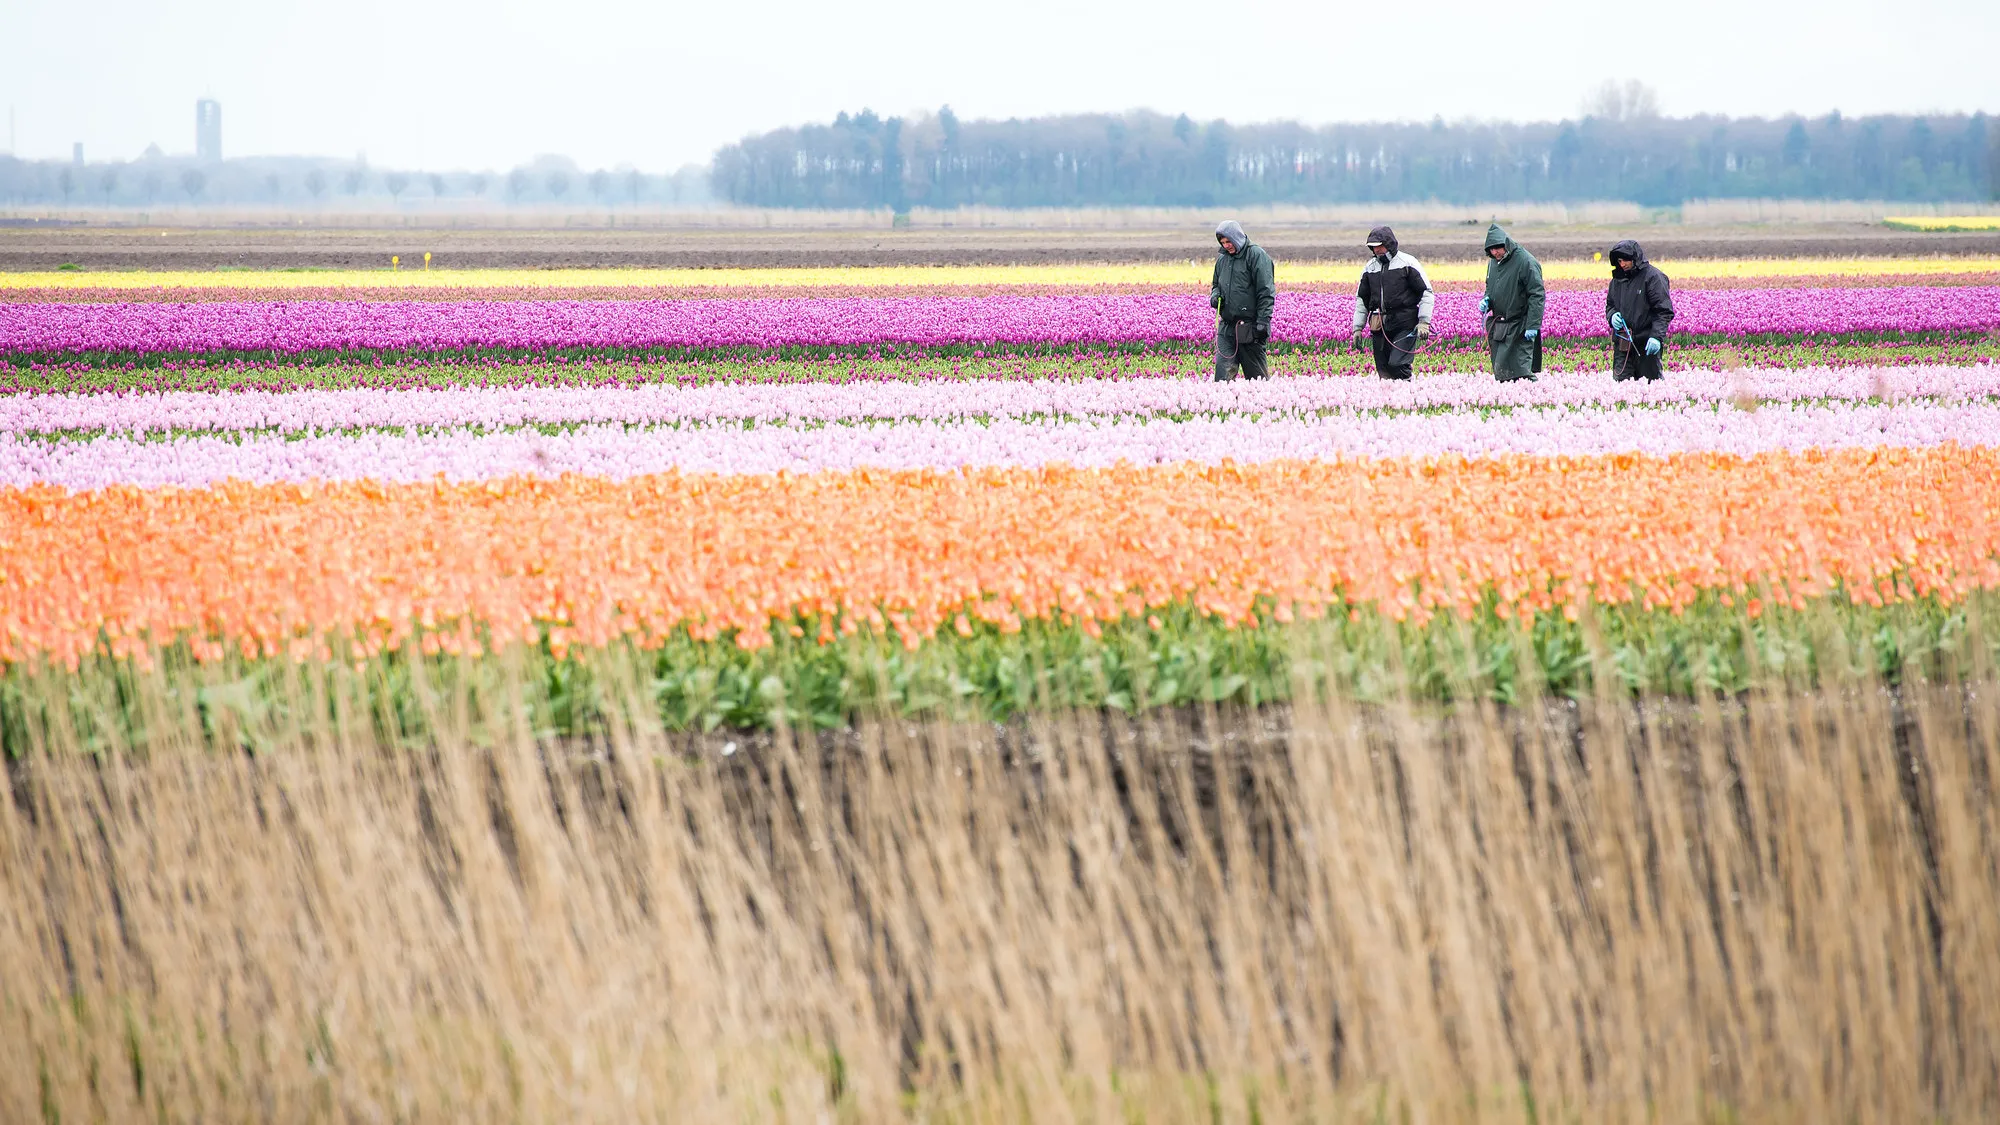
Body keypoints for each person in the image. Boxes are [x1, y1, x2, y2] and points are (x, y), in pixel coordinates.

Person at [1350, 225, 1434, 380]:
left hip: (1404, 322)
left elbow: (1426, 293)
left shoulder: (1407, 263)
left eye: (1380, 246)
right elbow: (1362, 300)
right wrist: (1357, 328)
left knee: (1398, 364)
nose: (1377, 251)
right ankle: (1390, 402)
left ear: (1389, 244)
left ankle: (1407, 395)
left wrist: (1424, 322)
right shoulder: (1370, 268)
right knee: (1384, 370)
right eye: (1373, 248)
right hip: (1379, 324)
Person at [1210, 219, 1275, 381]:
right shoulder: (1222, 260)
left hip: (1250, 327)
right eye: (1223, 242)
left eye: (1229, 241)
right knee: (1222, 378)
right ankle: (1224, 406)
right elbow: (1216, 285)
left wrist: (1263, 321)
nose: (1226, 245)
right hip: (1226, 328)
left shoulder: (1256, 256)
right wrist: (1215, 297)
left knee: (1257, 380)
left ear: (1237, 237)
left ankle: (1261, 406)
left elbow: (1265, 291)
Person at [1479, 223, 1545, 382]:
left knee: (1521, 369)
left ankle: (1532, 399)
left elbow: (1537, 294)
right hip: (1500, 324)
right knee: (1501, 369)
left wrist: (1533, 325)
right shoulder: (1494, 262)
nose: (1495, 253)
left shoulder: (1526, 261)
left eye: (1497, 249)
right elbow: (1491, 285)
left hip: (1520, 325)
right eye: (1491, 250)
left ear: (1505, 244)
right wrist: (1487, 299)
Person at [1604, 239, 1674, 381]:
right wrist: (1612, 316)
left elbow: (1663, 312)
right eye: (1619, 261)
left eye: (1625, 260)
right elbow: (1610, 305)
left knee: (1650, 389)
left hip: (1646, 345)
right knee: (1621, 390)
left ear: (1635, 259)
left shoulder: (1653, 278)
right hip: (1623, 345)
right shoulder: (1617, 280)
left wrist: (1656, 337)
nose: (1622, 264)